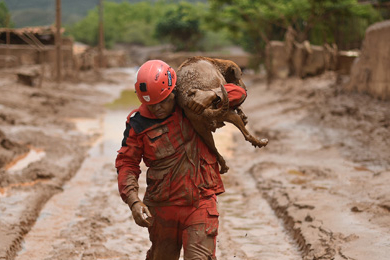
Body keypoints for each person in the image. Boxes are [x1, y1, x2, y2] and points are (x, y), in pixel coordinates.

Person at [115, 60, 247, 260]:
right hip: (161, 209)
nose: (157, 108)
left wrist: (212, 95)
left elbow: (239, 93)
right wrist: (133, 202)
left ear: (172, 91)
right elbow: (127, 163)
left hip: (200, 202)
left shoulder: (191, 105)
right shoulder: (137, 123)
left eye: (163, 101)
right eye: (151, 104)